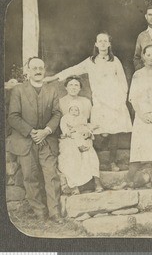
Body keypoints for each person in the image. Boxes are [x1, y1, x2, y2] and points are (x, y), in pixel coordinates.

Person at [44, 32, 132, 172]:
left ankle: (112, 162)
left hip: (115, 101)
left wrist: (121, 100)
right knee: (100, 132)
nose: (103, 43)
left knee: (115, 132)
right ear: (96, 44)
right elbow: (73, 69)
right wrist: (54, 78)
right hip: (100, 101)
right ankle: (96, 162)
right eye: (100, 41)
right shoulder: (90, 61)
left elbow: (123, 82)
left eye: (105, 41)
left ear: (109, 44)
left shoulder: (115, 61)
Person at [7, 57, 63, 223]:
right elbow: (13, 117)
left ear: (44, 70)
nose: (38, 71)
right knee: (30, 176)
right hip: (26, 140)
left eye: (40, 68)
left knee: (51, 176)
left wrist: (46, 131)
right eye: (34, 68)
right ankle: (39, 211)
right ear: (28, 71)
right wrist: (32, 132)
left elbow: (57, 114)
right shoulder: (18, 90)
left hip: (47, 140)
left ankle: (55, 213)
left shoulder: (51, 90)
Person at [117, 45, 152, 189]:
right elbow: (133, 98)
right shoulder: (138, 75)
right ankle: (129, 179)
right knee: (138, 149)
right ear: (143, 56)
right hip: (142, 117)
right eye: (148, 55)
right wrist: (141, 115)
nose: (151, 58)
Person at [58, 101, 102, 195]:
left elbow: (85, 128)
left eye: (76, 110)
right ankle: (74, 185)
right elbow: (65, 130)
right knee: (71, 156)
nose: (74, 111)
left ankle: (97, 182)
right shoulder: (65, 118)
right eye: (72, 109)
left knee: (89, 152)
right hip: (69, 140)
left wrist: (86, 133)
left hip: (81, 139)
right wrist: (69, 132)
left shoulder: (82, 118)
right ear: (69, 110)